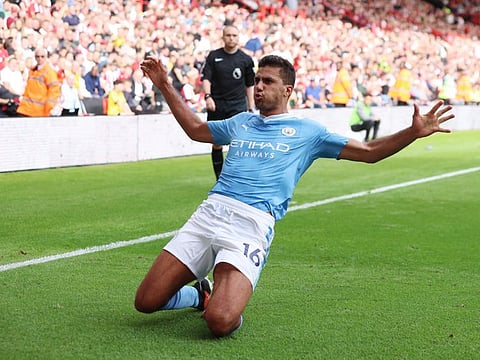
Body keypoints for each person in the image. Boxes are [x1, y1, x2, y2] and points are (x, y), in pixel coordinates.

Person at [137, 54, 454, 338]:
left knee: (219, 322)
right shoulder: (241, 122)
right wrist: (165, 85)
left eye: (267, 81)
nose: (258, 86)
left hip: (251, 224)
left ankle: (217, 301)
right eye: (257, 80)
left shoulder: (308, 132)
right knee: (147, 301)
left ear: (287, 90)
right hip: (211, 213)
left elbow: (369, 152)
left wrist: (412, 132)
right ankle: (200, 296)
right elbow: (195, 129)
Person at [201, 24, 255, 180]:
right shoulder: (213, 56)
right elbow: (206, 78)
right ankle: (219, 178)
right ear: (223, 37)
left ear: (238, 38)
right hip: (217, 104)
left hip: (237, 105)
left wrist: (251, 106)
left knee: (238, 141)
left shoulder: (245, 59)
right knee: (217, 143)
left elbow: (250, 84)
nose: (231, 38)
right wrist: (208, 96)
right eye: (228, 35)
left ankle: (236, 177)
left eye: (234, 35)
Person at [16, 48, 62, 117]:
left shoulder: (49, 72)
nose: (40, 58)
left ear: (46, 57)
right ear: (35, 57)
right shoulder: (33, 70)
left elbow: (54, 90)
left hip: (39, 111)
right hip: (26, 108)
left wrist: (48, 108)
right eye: (37, 56)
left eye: (42, 56)